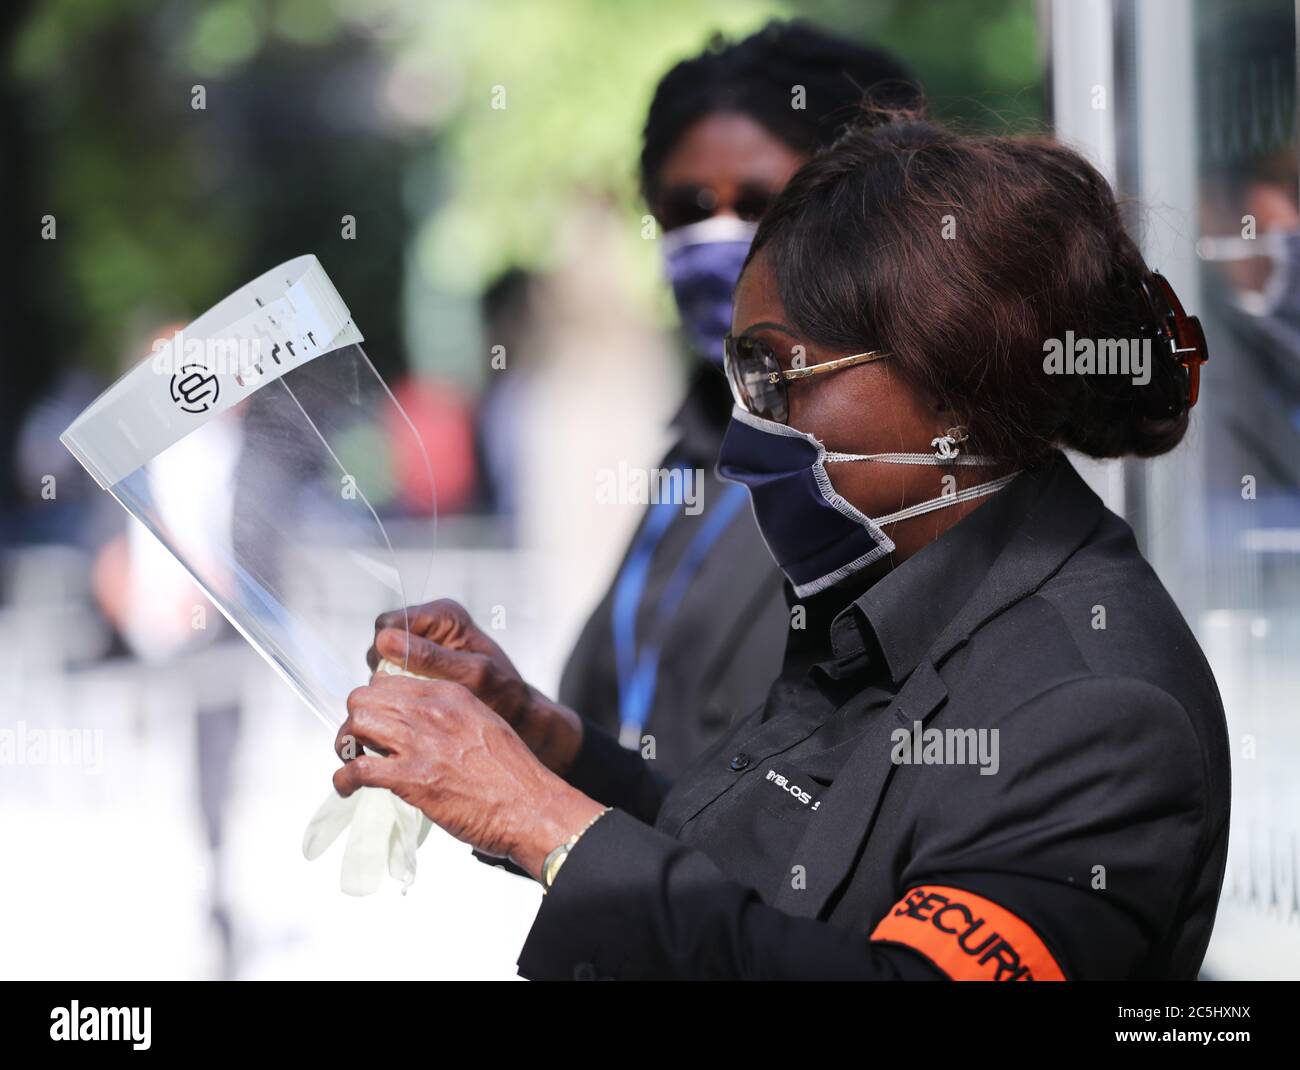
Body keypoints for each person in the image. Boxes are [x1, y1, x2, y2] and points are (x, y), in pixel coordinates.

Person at [340, 106, 1230, 980]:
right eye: (738, 376)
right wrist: (546, 745)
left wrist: (546, 824)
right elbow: (770, 878)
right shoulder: (890, 597)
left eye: (775, 376)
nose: (741, 439)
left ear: (954, 387)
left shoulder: (1096, 709)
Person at [559, 20, 920, 772]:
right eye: (689, 208)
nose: (719, 237)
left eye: (759, 205)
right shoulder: (696, 445)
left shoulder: (890, 465)